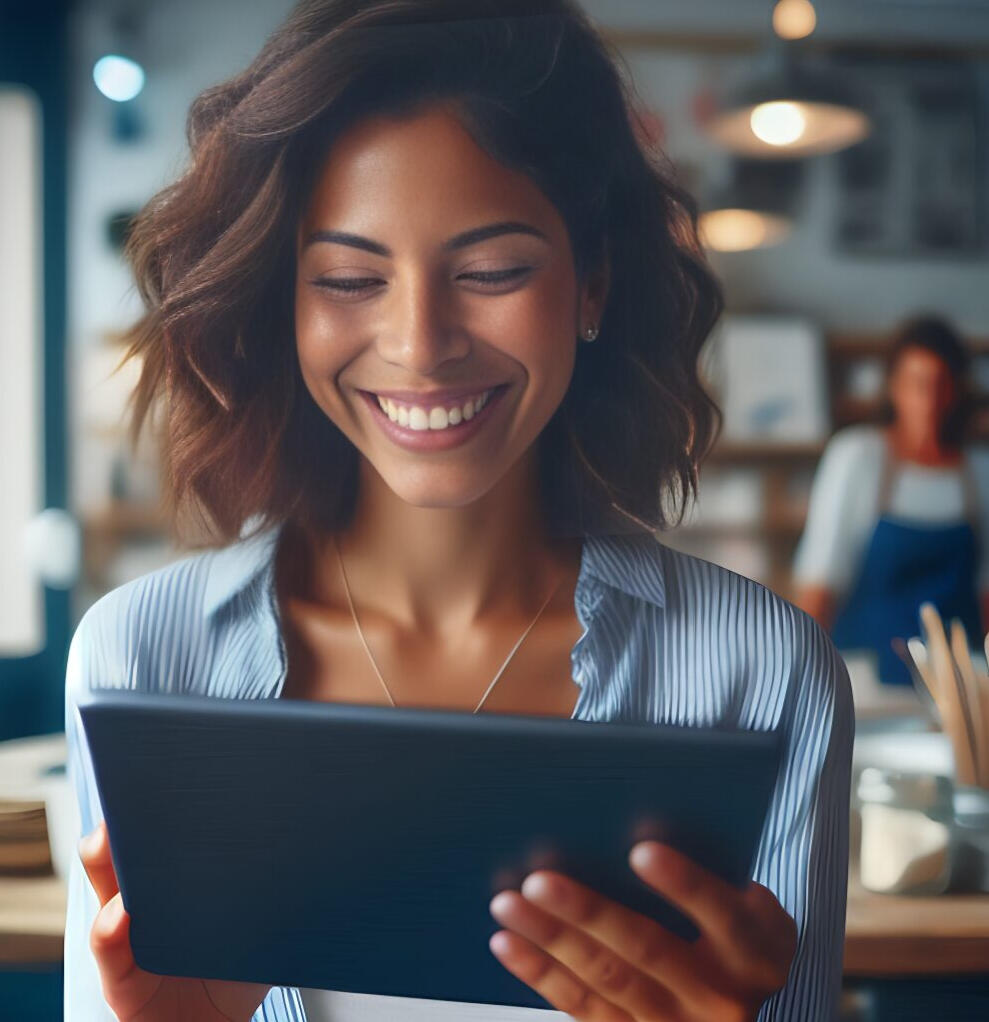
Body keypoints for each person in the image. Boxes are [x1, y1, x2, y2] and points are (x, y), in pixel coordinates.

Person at [64, 2, 853, 1020]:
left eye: (491, 271)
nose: (419, 342)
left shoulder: (764, 676)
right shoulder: (137, 661)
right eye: (349, 277)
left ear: (592, 283)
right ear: (285, 302)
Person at [794, 315, 989, 688]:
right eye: (917, 384)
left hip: (960, 685)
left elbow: (986, 591)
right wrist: (800, 678)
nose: (929, 399)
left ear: (957, 391)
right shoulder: (857, 456)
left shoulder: (979, 472)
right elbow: (821, 579)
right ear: (893, 387)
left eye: (941, 384)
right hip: (864, 678)